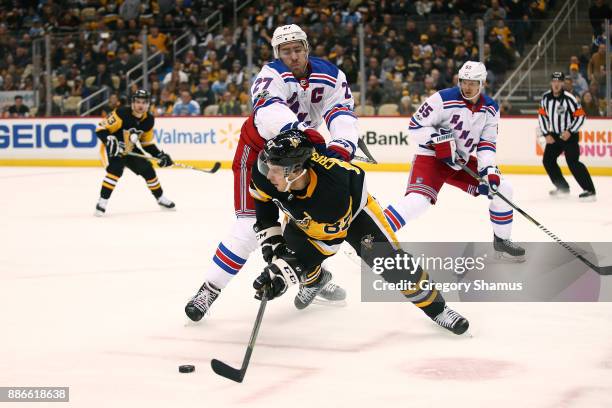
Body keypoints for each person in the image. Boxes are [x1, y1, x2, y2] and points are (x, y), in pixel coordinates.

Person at [185, 24, 359, 321]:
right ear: (278, 53)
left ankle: (313, 277)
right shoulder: (270, 75)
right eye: (286, 51)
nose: (293, 56)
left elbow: (340, 112)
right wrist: (304, 135)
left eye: (298, 49)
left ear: (307, 48)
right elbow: (268, 111)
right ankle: (209, 289)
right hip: (257, 155)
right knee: (248, 227)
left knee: (306, 222)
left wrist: (342, 147)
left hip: (298, 157)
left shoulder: (331, 75)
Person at [250, 130, 469, 334]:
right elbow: (263, 201)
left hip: (354, 215)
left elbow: (325, 246)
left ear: (297, 171)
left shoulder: (332, 194)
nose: (268, 175)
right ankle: (315, 281)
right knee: (288, 254)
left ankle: (437, 308)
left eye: (276, 171)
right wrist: (273, 243)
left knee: (391, 264)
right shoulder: (266, 174)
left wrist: (285, 272)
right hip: (306, 213)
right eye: (268, 166)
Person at [384, 61, 526, 261]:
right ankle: (370, 239)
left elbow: (486, 143)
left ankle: (502, 241)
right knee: (418, 202)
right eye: (464, 82)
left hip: (461, 161)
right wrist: (438, 140)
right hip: (432, 158)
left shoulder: (491, 108)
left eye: (472, 83)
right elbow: (415, 126)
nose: (467, 87)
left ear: (482, 83)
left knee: (503, 188)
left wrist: (489, 171)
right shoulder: (442, 98)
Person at [94, 89, 176, 216]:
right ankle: (102, 202)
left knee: (148, 170)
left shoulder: (149, 120)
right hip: (113, 147)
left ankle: (160, 198)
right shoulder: (121, 113)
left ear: (148, 104)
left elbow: (146, 143)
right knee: (115, 170)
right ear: (132, 103)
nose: (140, 105)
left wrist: (159, 155)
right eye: (138, 102)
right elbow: (100, 128)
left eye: (144, 102)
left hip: (130, 148)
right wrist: (109, 139)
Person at [538, 72, 596, 201]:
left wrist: (570, 131)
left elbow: (581, 116)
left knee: (573, 162)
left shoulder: (570, 98)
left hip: (570, 136)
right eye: (554, 81)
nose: (556, 84)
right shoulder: (545, 98)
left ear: (563, 83)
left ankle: (590, 190)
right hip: (554, 136)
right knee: (548, 160)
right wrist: (546, 134)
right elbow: (542, 116)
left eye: (559, 82)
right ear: (551, 83)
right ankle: (562, 187)